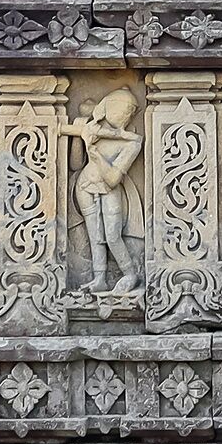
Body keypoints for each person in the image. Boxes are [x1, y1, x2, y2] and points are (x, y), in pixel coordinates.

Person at [64, 84, 145, 290]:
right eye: (123, 109)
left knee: (112, 234)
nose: (126, 116)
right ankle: (99, 279)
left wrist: (95, 152)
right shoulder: (92, 129)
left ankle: (130, 274)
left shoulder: (131, 143)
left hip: (109, 189)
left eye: (130, 112)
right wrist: (80, 140)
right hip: (85, 186)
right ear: (107, 107)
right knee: (95, 236)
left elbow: (112, 179)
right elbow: (75, 164)